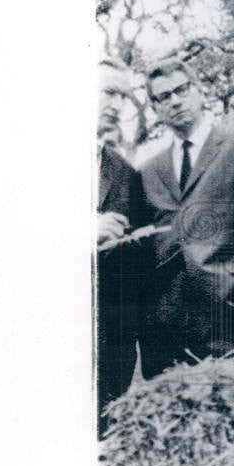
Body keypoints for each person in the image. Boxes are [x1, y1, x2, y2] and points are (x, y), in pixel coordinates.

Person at [138, 62, 234, 375]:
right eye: (164, 96)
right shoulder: (149, 170)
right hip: (171, 327)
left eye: (182, 89)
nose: (176, 101)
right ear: (155, 108)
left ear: (199, 91)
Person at [96, 62, 148, 437]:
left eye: (123, 96)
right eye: (108, 92)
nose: (116, 104)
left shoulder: (125, 173)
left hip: (109, 347)